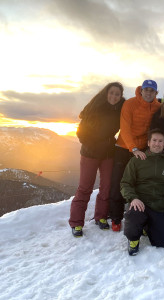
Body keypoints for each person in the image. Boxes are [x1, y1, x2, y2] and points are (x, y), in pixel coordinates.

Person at [69, 82, 125, 237]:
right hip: (90, 153)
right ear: (106, 93)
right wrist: (94, 144)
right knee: (85, 187)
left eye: (117, 94)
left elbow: (137, 105)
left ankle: (101, 217)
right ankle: (76, 223)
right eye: (112, 92)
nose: (114, 96)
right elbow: (81, 133)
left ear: (120, 97)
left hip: (108, 153)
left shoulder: (119, 109)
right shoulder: (94, 108)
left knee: (106, 187)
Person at [108, 79, 161, 231]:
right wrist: (134, 149)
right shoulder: (130, 104)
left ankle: (137, 213)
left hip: (143, 148)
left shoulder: (158, 106)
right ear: (141, 90)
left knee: (140, 183)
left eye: (152, 91)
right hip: (124, 147)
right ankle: (116, 217)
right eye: (146, 90)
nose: (148, 93)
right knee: (118, 180)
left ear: (156, 93)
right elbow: (125, 129)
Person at [120, 128, 164, 256]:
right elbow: (125, 183)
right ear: (148, 143)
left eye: (160, 141)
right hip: (139, 204)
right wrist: (133, 198)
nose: (157, 143)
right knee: (134, 217)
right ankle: (134, 240)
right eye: (154, 140)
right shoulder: (137, 160)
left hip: (158, 207)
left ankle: (147, 226)